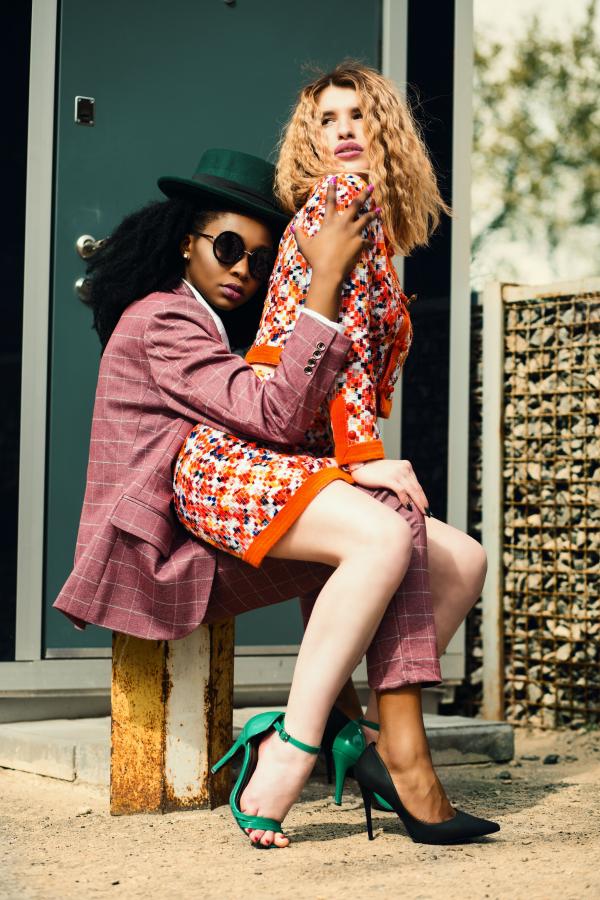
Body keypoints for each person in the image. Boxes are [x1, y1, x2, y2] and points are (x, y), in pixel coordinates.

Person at [172, 66, 499, 849]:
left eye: (360, 115)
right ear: (309, 141)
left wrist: (355, 463)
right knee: (394, 528)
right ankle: (298, 749)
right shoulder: (335, 207)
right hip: (240, 457)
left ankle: (371, 739)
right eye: (327, 119)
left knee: (463, 562)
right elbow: (340, 360)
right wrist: (364, 459)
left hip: (297, 460)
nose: (344, 128)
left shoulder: (373, 225)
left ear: (386, 133)